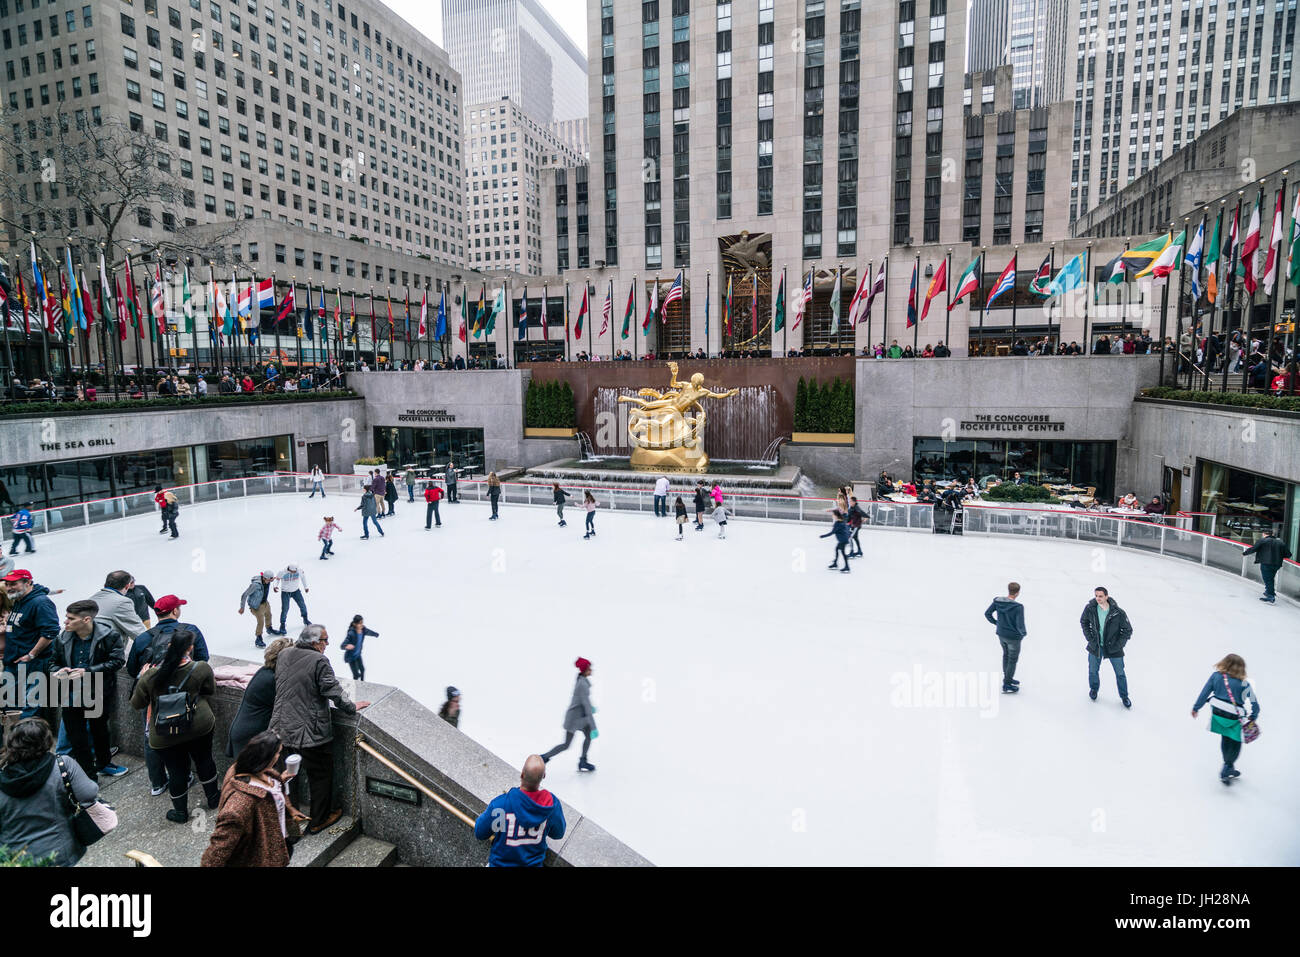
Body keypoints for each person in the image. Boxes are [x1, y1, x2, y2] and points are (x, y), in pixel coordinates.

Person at [269, 624, 370, 835]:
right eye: (325, 640)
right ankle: (318, 820)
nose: (327, 645)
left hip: (282, 728)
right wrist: (351, 707)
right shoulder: (319, 660)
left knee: (288, 776)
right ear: (315, 642)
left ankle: (289, 817)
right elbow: (332, 690)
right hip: (310, 733)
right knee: (320, 776)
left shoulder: (285, 654)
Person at [130, 626, 219, 823]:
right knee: (204, 760)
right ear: (190, 648)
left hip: (164, 732)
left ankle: (180, 812)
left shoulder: (151, 675)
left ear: (169, 646)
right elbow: (209, 690)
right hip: (198, 725)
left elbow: (137, 703)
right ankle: (213, 798)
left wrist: (142, 677)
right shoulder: (200, 668)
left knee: (176, 770)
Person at [0, 718, 100, 866]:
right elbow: (90, 793)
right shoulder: (62, 765)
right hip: (60, 854)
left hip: (15, 859)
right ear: (46, 741)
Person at [202, 730, 305, 867]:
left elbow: (273, 795)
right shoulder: (239, 807)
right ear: (268, 757)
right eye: (278, 752)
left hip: (280, 842)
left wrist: (282, 784)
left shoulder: (268, 774)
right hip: (261, 857)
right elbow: (215, 855)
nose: (279, 756)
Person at [51, 599, 128, 781]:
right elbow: (53, 663)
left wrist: (87, 671)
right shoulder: (63, 637)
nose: (65, 622)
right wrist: (57, 671)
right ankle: (88, 776)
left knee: (99, 732)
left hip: (97, 692)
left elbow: (118, 662)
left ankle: (103, 764)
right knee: (77, 738)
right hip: (71, 694)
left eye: (70, 618)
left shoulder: (109, 636)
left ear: (86, 619)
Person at [473, 754, 567, 867]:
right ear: (544, 776)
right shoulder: (551, 806)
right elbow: (558, 834)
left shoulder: (501, 805)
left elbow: (480, 832)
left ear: (522, 774)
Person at [1190, 654, 1261, 785]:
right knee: (1235, 741)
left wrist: (1196, 707)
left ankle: (1229, 766)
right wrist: (1253, 716)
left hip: (1218, 714)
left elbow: (1204, 692)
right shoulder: (1244, 684)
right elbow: (1255, 705)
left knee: (1225, 737)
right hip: (1235, 717)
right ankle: (1228, 767)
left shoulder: (1216, 676)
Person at [2, 569, 59, 726]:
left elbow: (51, 632)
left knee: (29, 709)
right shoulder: (19, 600)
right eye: (7, 584)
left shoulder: (40, 602)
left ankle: (26, 746)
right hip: (13, 664)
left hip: (32, 665)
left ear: (27, 583)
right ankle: (13, 744)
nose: (9, 587)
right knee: (9, 707)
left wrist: (32, 655)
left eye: (13, 583)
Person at [226, 637, 292, 760]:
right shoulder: (273, 679)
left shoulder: (266, 671)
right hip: (250, 737)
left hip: (245, 732)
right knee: (250, 777)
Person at [540, 658, 597, 772]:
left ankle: (583, 760)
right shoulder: (582, 685)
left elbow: (583, 702)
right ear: (585, 670)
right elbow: (585, 705)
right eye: (589, 668)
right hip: (574, 720)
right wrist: (594, 726)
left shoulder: (582, 681)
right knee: (566, 744)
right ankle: (544, 757)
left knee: (588, 736)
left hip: (580, 718)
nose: (591, 670)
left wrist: (591, 707)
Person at [1079, 586, 1133, 707]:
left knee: (1120, 673)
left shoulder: (1118, 612)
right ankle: (1094, 689)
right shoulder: (1090, 608)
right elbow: (1084, 622)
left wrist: (1119, 644)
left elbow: (1127, 630)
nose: (1098, 598)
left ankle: (1124, 696)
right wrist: (1091, 639)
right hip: (1096, 646)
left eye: (1101, 596)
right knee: (1093, 671)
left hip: (1114, 648)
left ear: (1106, 597)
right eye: (1096, 596)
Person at [984, 583, 1027, 694]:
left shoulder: (998, 602)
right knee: (1012, 659)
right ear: (1017, 592)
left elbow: (987, 613)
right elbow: (1020, 624)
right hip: (1013, 637)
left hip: (1001, 634)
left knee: (1006, 655)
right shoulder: (1018, 607)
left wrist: (997, 623)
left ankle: (1007, 678)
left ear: (1009, 590)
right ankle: (1007, 684)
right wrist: (1023, 634)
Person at [1241, 530, 1291, 604]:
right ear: (1272, 534)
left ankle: (1271, 596)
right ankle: (1269, 592)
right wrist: (1278, 555)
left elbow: (1253, 549)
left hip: (1266, 563)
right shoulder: (1280, 542)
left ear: (1264, 534)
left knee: (1268, 579)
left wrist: (1244, 553)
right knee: (1270, 578)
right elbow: (1288, 554)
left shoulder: (1262, 541)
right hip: (1277, 564)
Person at [239, 571, 277, 647]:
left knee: (269, 615)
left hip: (265, 602)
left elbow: (271, 580)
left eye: (271, 580)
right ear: (264, 578)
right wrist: (242, 607)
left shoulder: (268, 580)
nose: (269, 582)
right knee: (261, 621)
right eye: (268, 580)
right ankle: (258, 638)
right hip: (256, 606)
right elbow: (244, 595)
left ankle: (269, 628)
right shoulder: (255, 585)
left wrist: (274, 583)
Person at [273, 565, 311, 633]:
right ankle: (282, 625)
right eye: (292, 571)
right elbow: (277, 579)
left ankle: (305, 619)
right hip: (285, 592)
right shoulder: (282, 572)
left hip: (296, 591)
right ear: (289, 569)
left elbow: (303, 577)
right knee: (285, 609)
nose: (294, 572)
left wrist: (306, 587)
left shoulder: (299, 570)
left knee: (302, 605)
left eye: (295, 571)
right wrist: (275, 586)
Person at [341, 614, 378, 681]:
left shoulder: (363, 630)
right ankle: (356, 686)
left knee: (362, 670)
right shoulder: (351, 633)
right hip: (351, 657)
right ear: (355, 624)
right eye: (359, 623)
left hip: (358, 655)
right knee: (356, 675)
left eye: (362, 623)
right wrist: (346, 646)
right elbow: (342, 645)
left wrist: (376, 634)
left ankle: (362, 683)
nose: (361, 625)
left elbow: (369, 632)